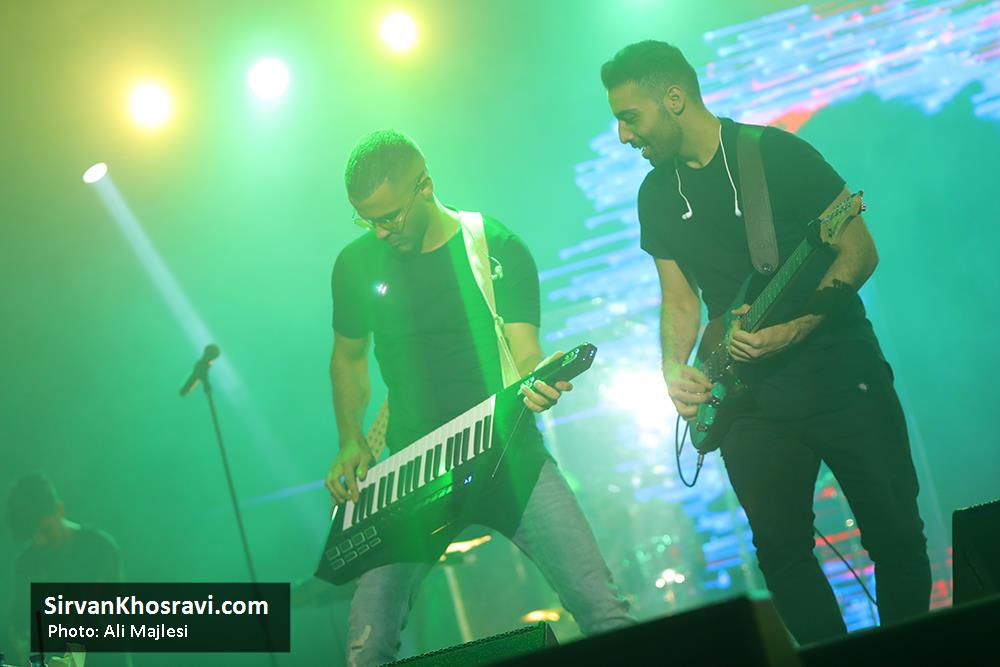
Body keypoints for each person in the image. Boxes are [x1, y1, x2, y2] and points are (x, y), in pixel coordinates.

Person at [600, 40, 931, 644]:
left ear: (673, 99)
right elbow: (679, 299)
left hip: (838, 371)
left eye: (630, 117)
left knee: (896, 534)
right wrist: (673, 367)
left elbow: (858, 248)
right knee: (780, 554)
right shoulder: (655, 195)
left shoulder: (775, 153)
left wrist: (801, 325)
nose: (623, 135)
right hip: (746, 397)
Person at [324, 129, 634, 666]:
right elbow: (348, 357)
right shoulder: (356, 265)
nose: (379, 232)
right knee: (366, 646)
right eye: (366, 220)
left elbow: (526, 353)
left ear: (425, 186)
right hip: (414, 470)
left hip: (507, 455)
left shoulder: (496, 246)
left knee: (602, 609)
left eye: (389, 217)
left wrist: (542, 382)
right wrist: (350, 438)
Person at [4, 473, 131, 666]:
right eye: (33, 535)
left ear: (60, 509)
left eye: (46, 531)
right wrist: (23, 646)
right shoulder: (27, 562)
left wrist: (71, 659)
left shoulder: (99, 548)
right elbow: (19, 619)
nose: (40, 541)